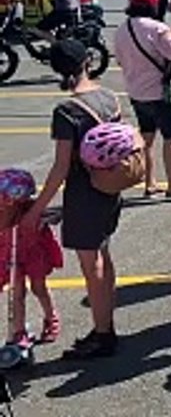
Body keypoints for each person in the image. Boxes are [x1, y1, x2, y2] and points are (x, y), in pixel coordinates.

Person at [25, 40, 123, 358]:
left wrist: (36, 209)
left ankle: (102, 333)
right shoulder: (109, 97)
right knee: (104, 257)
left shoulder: (67, 111)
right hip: (110, 186)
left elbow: (60, 168)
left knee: (89, 263)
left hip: (84, 194)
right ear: (87, 62)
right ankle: (106, 324)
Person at [113, 0, 171, 198]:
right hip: (161, 92)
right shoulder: (157, 28)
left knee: (147, 138)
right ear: (153, 5)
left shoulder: (121, 30)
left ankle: (149, 182)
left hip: (136, 92)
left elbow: (119, 60)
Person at [0, 168, 63, 349]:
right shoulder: (2, 213)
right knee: (16, 293)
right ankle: (18, 332)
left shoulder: (31, 210)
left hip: (33, 254)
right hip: (12, 256)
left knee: (38, 287)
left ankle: (51, 317)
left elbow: (53, 215)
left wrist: (47, 217)